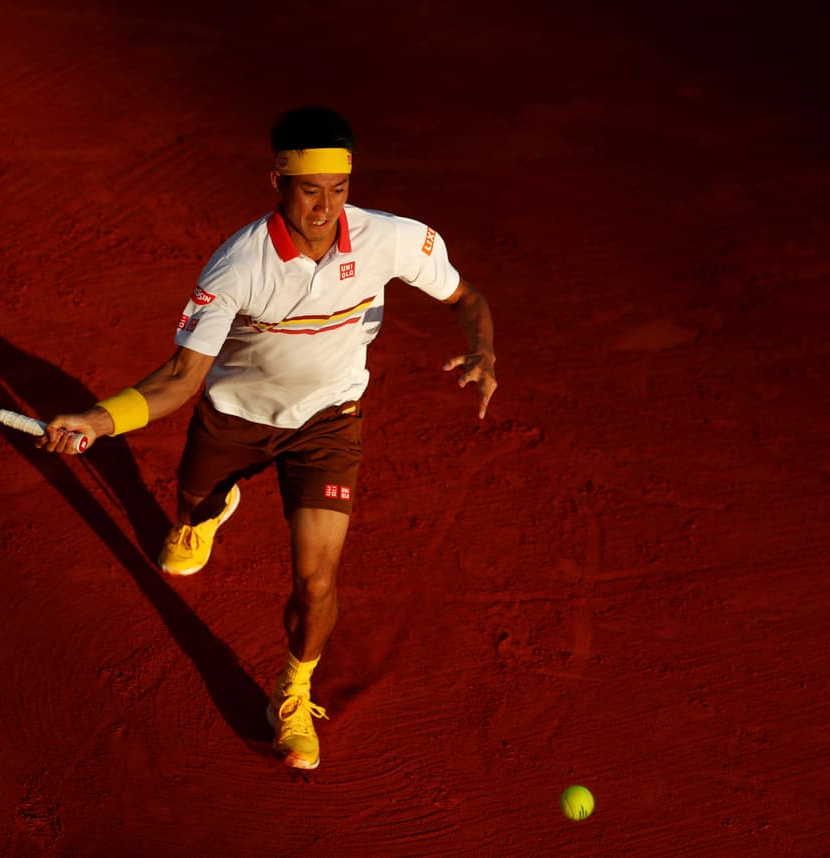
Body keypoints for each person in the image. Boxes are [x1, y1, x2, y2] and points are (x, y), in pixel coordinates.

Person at [37, 106, 497, 770]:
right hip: (234, 418)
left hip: (329, 422)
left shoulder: (387, 239)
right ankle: (206, 512)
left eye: (338, 189)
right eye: (310, 189)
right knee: (191, 506)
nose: (325, 206)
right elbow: (179, 378)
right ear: (277, 179)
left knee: (317, 579)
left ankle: (293, 690)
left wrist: (484, 350)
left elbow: (468, 299)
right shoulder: (236, 265)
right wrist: (97, 419)